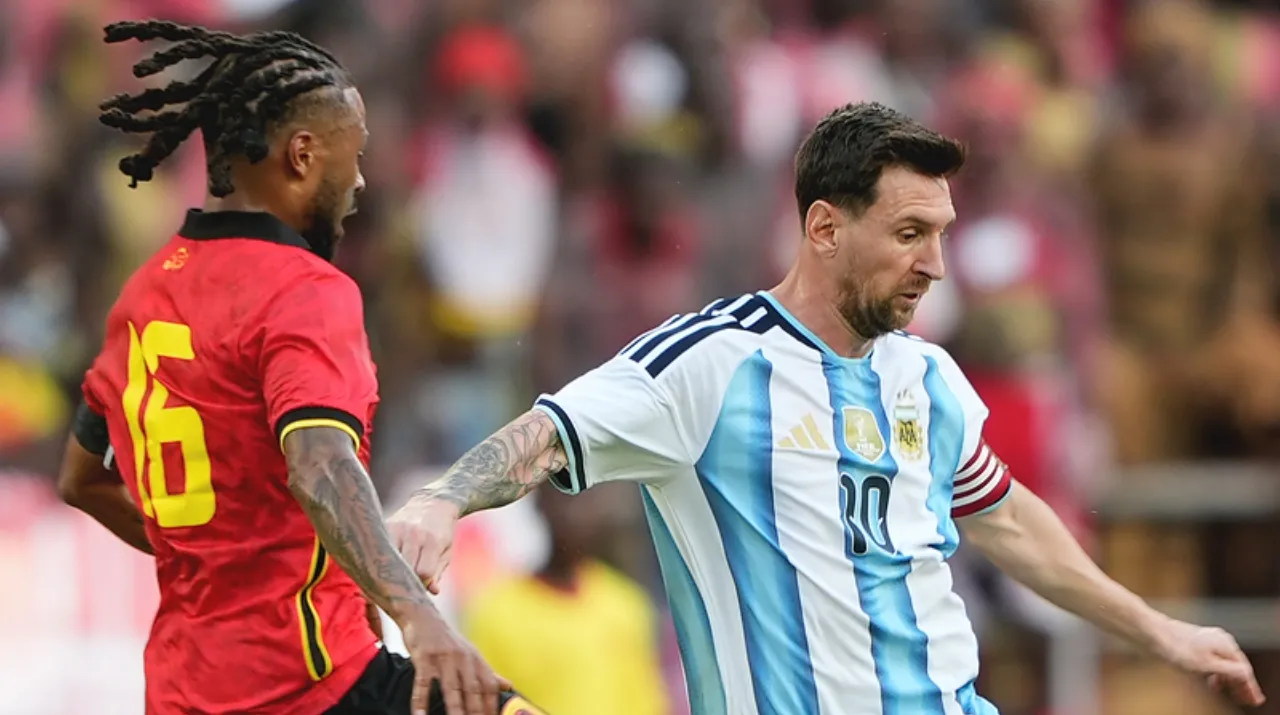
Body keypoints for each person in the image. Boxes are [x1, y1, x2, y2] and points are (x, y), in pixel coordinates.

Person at [387, 102, 1266, 714]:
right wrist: (442, 497)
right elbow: (550, 432)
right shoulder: (711, 363)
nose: (936, 265)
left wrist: (1160, 630)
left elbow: (1002, 516)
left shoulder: (925, 378)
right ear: (824, 228)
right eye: (910, 234)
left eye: (943, 234)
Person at [56, 20, 511, 715]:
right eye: (351, 157)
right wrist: (421, 619)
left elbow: (82, 479)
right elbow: (319, 462)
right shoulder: (304, 290)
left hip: (183, 691)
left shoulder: (143, 295)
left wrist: (216, 557)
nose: (358, 181)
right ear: (302, 155)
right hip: (309, 681)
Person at [463, 484, 670, 715]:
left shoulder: (627, 605)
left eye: (586, 501)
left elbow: (645, 704)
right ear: (541, 505)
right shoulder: (496, 611)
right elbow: (484, 703)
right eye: (564, 499)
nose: (575, 514)